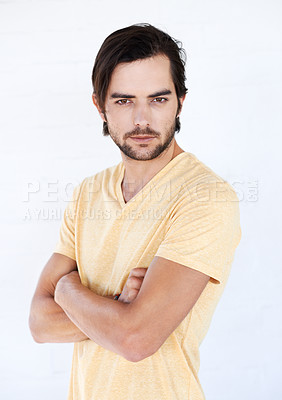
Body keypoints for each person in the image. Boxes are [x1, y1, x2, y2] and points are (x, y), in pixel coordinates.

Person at [29, 23, 242, 400]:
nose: (142, 119)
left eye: (158, 99)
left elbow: (135, 338)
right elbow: (39, 323)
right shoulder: (88, 194)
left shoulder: (205, 198)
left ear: (181, 101)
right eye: (124, 101)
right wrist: (117, 308)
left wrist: (66, 289)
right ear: (100, 106)